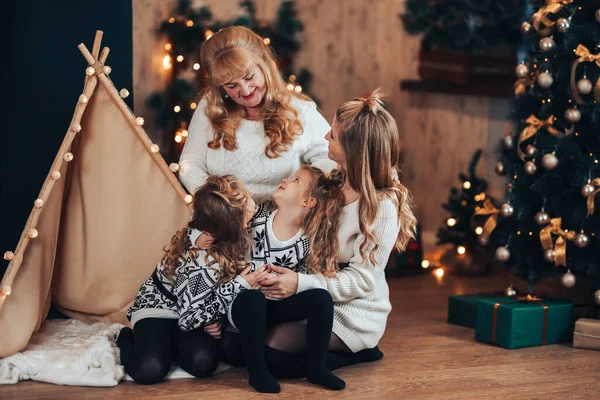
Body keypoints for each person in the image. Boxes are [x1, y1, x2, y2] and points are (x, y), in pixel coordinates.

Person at [257, 89, 418, 378]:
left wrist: (299, 283)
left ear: (354, 150)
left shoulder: (381, 207)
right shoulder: (334, 176)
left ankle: (361, 351)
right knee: (246, 342)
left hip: (354, 311)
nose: (325, 139)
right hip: (318, 295)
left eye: (333, 135)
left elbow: (361, 280)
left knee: (272, 354)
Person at [116, 175, 265, 384]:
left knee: (204, 363)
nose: (253, 204)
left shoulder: (219, 229)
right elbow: (188, 320)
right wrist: (238, 286)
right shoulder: (203, 259)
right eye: (245, 206)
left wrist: (214, 318)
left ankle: (168, 346)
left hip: (193, 309)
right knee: (149, 370)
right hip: (160, 308)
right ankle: (126, 338)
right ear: (230, 225)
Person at [223, 165, 347, 393]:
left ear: (308, 202)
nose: (285, 180)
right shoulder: (254, 219)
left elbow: (301, 281)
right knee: (253, 300)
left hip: (273, 309)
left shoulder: (306, 242)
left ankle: (317, 367)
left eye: (296, 181)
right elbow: (226, 261)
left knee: (320, 297)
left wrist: (290, 287)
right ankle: (257, 373)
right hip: (243, 309)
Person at [178, 26, 336, 204]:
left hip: (283, 223)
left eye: (249, 77)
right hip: (223, 220)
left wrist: (302, 190)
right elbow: (190, 165)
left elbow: (332, 160)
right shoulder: (210, 107)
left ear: (265, 66)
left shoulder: (301, 111)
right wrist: (222, 200)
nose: (244, 91)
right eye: (231, 86)